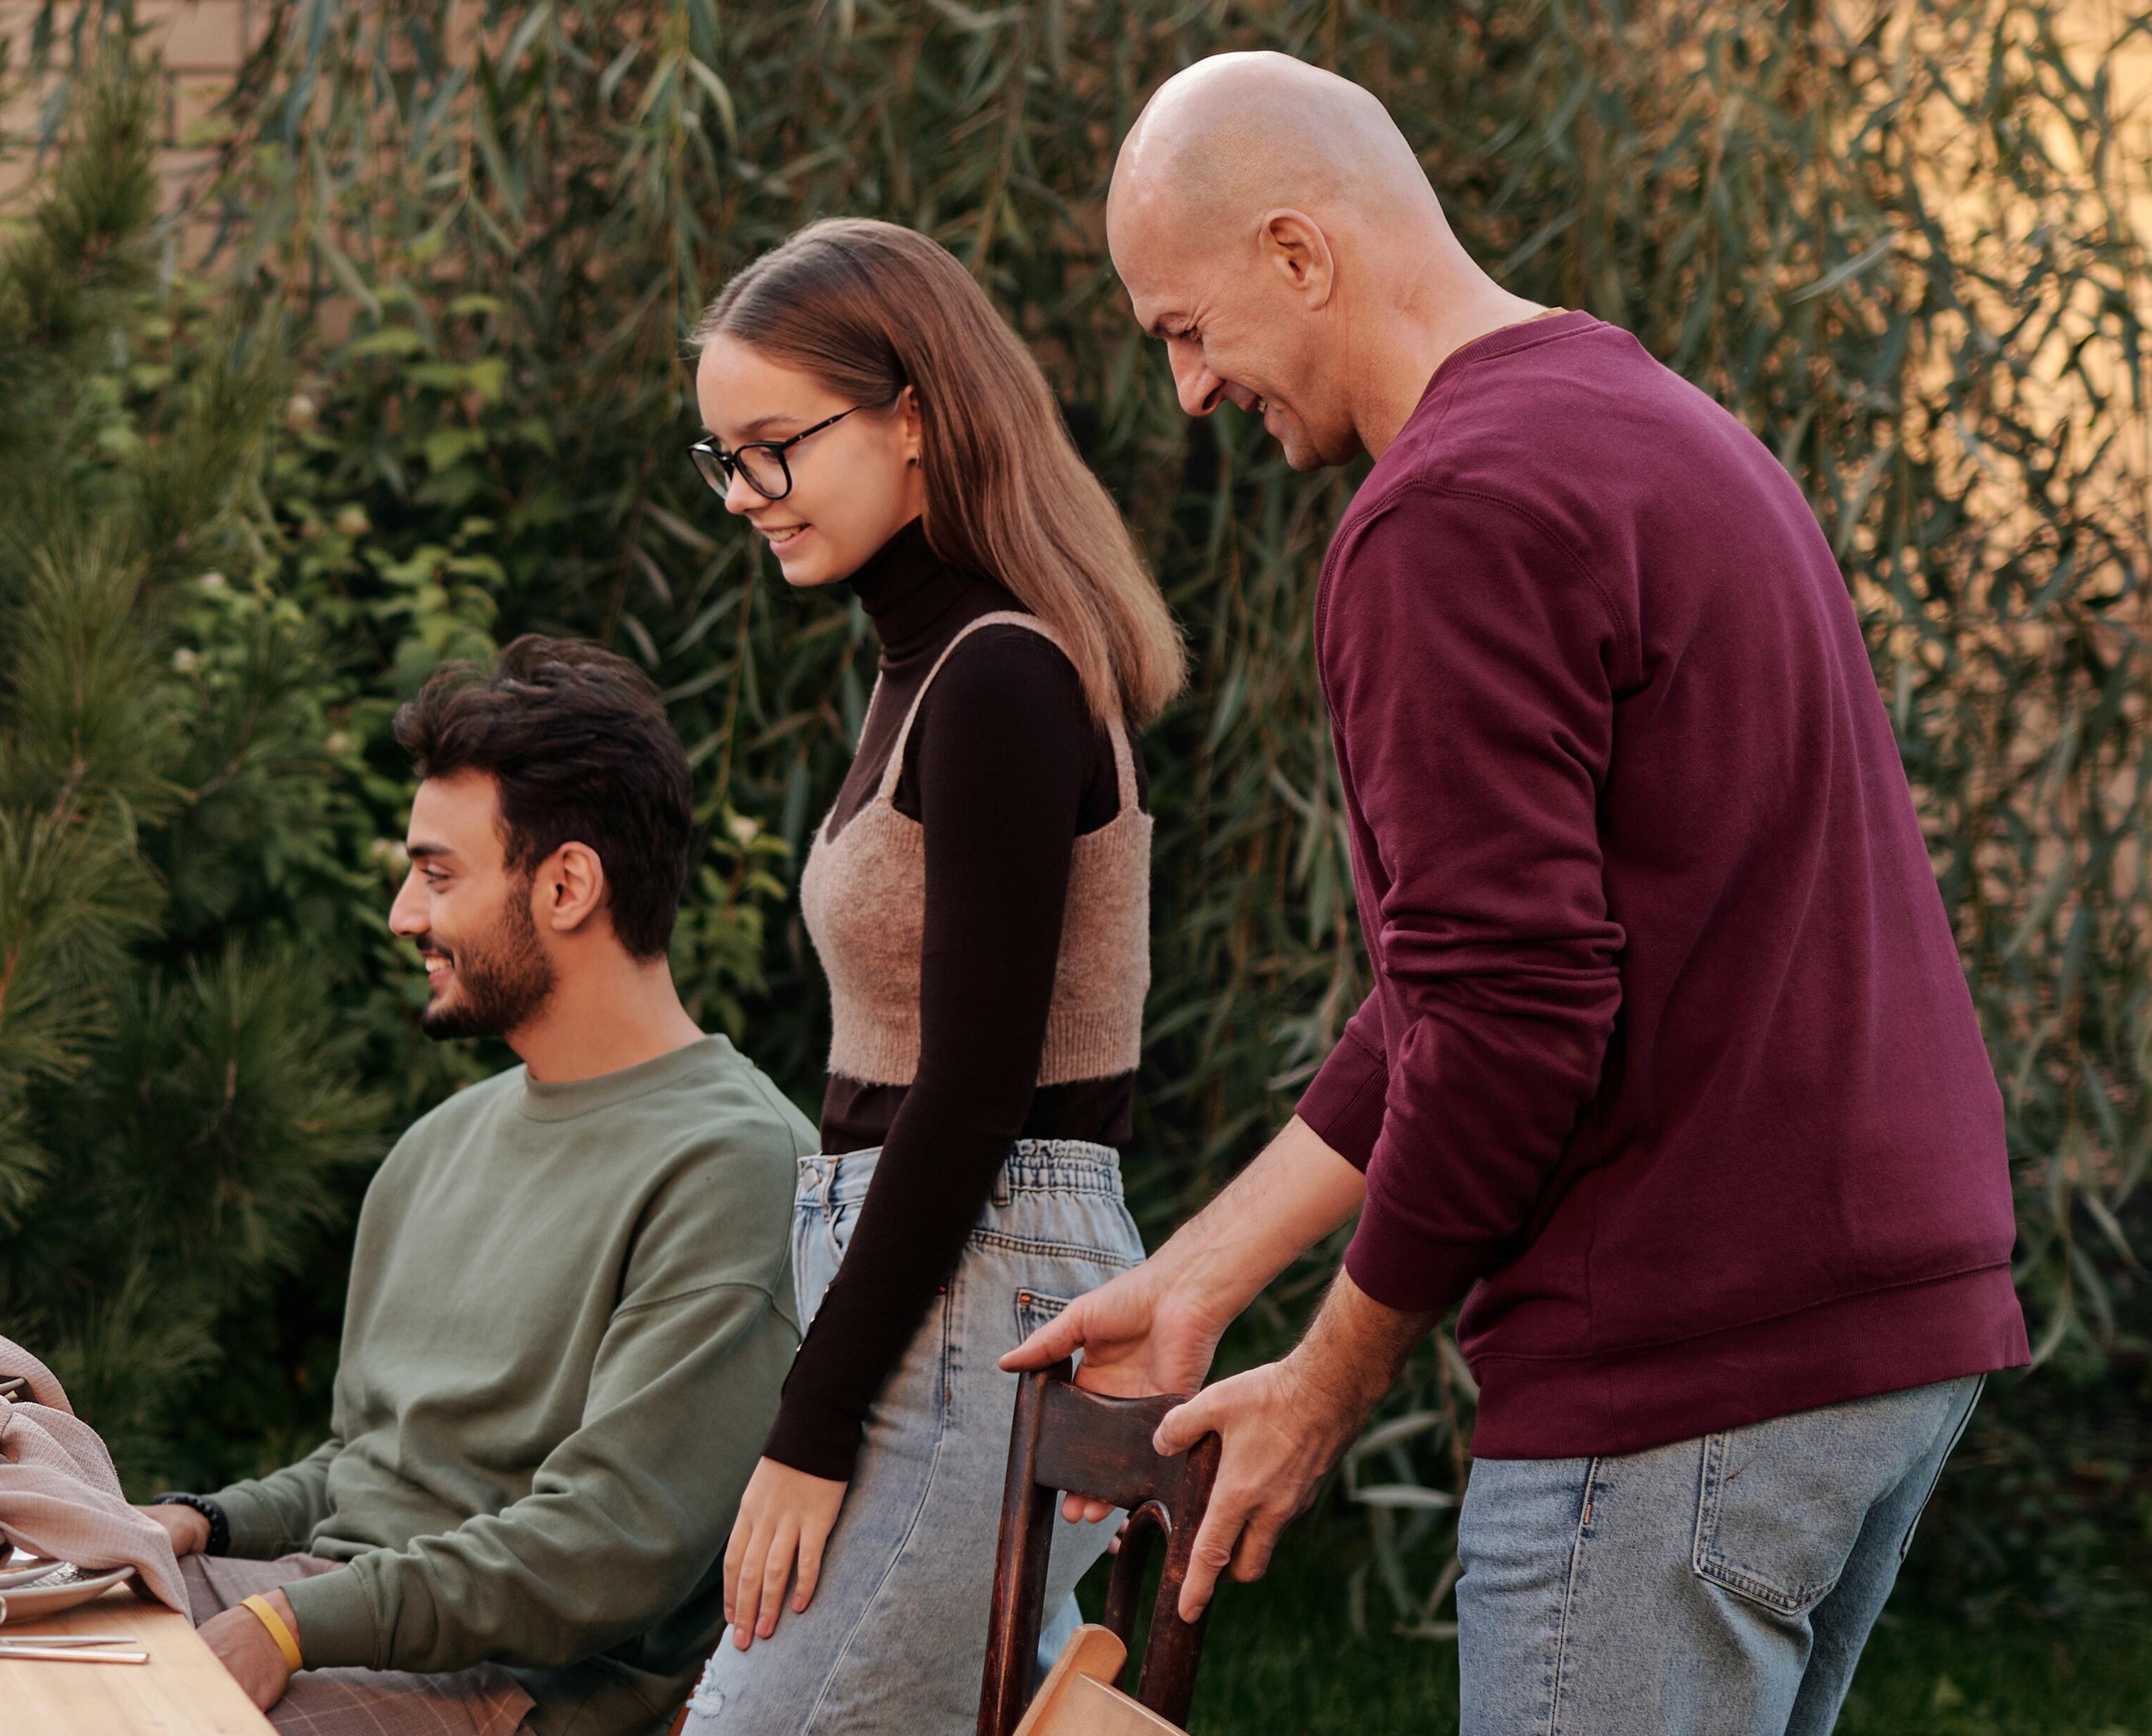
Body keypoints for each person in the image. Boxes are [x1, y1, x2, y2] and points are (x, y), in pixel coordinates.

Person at [1010, 52, 2024, 1735]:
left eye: (1184, 329)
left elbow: (1511, 1019)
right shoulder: (1651, 426)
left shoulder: (1449, 514)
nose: (1188, 388)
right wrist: (1202, 1275)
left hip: (1681, 1370)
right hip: (1869, 1345)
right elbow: (1466, 972)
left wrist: (1327, 1381)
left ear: (1298, 255)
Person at [674, 219, 1183, 1732]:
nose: (746, 495)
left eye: (774, 445)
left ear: (912, 416)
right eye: (720, 458)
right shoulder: (931, 664)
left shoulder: (1000, 675)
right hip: (946, 1266)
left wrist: (808, 1428)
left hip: (978, 1262)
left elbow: (968, 1096)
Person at [146, 638, 804, 1736]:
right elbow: (371, 1473)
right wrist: (204, 1523)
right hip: (335, 1611)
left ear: (566, 884)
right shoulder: (437, 1147)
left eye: (437, 873)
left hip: (505, 1690)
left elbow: (605, 1548)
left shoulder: (734, 1167)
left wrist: (291, 1624)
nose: (406, 914)